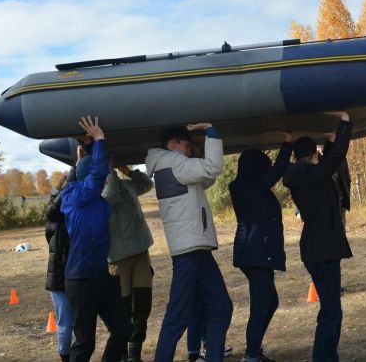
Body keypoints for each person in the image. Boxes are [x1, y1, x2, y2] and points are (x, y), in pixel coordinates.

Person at [145, 123, 233, 362]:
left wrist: (197, 153)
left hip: (195, 247)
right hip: (189, 249)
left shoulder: (169, 164)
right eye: (186, 145)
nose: (188, 150)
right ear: (173, 144)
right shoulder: (175, 162)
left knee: (221, 307)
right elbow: (213, 168)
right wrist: (211, 131)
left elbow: (205, 178)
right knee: (178, 315)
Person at [61, 116, 132, 362]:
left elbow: (96, 173)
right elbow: (97, 171)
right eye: (100, 176)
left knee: (123, 329)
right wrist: (100, 139)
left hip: (100, 276)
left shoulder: (96, 201)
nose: (104, 178)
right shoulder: (77, 197)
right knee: (84, 344)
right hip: (80, 281)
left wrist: (89, 149)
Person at [283, 112, 352, 362]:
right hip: (324, 250)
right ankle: (323, 358)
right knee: (331, 311)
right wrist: (344, 122)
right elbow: (334, 159)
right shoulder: (314, 175)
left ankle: (327, 355)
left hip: (314, 249)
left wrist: (287, 143)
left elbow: (331, 160)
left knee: (331, 309)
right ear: (314, 155)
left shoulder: (297, 177)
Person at [229, 133, 293, 362]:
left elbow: (272, 173)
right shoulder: (253, 186)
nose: (268, 168)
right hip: (257, 252)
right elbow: (277, 170)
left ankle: (253, 350)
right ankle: (251, 355)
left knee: (270, 302)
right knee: (260, 307)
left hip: (251, 251)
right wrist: (287, 143)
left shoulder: (242, 186)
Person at [102, 163, 155, 362]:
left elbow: (147, 184)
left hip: (141, 250)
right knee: (121, 311)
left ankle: (134, 356)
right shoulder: (102, 191)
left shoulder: (127, 185)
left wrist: (127, 171)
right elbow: (110, 195)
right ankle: (122, 355)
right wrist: (108, 171)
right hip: (118, 257)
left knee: (142, 305)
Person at [45, 170, 75, 362]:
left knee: (71, 324)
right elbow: (53, 207)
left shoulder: (53, 220)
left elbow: (52, 205)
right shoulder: (57, 223)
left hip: (69, 277)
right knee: (66, 324)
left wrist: (59, 188)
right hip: (59, 279)